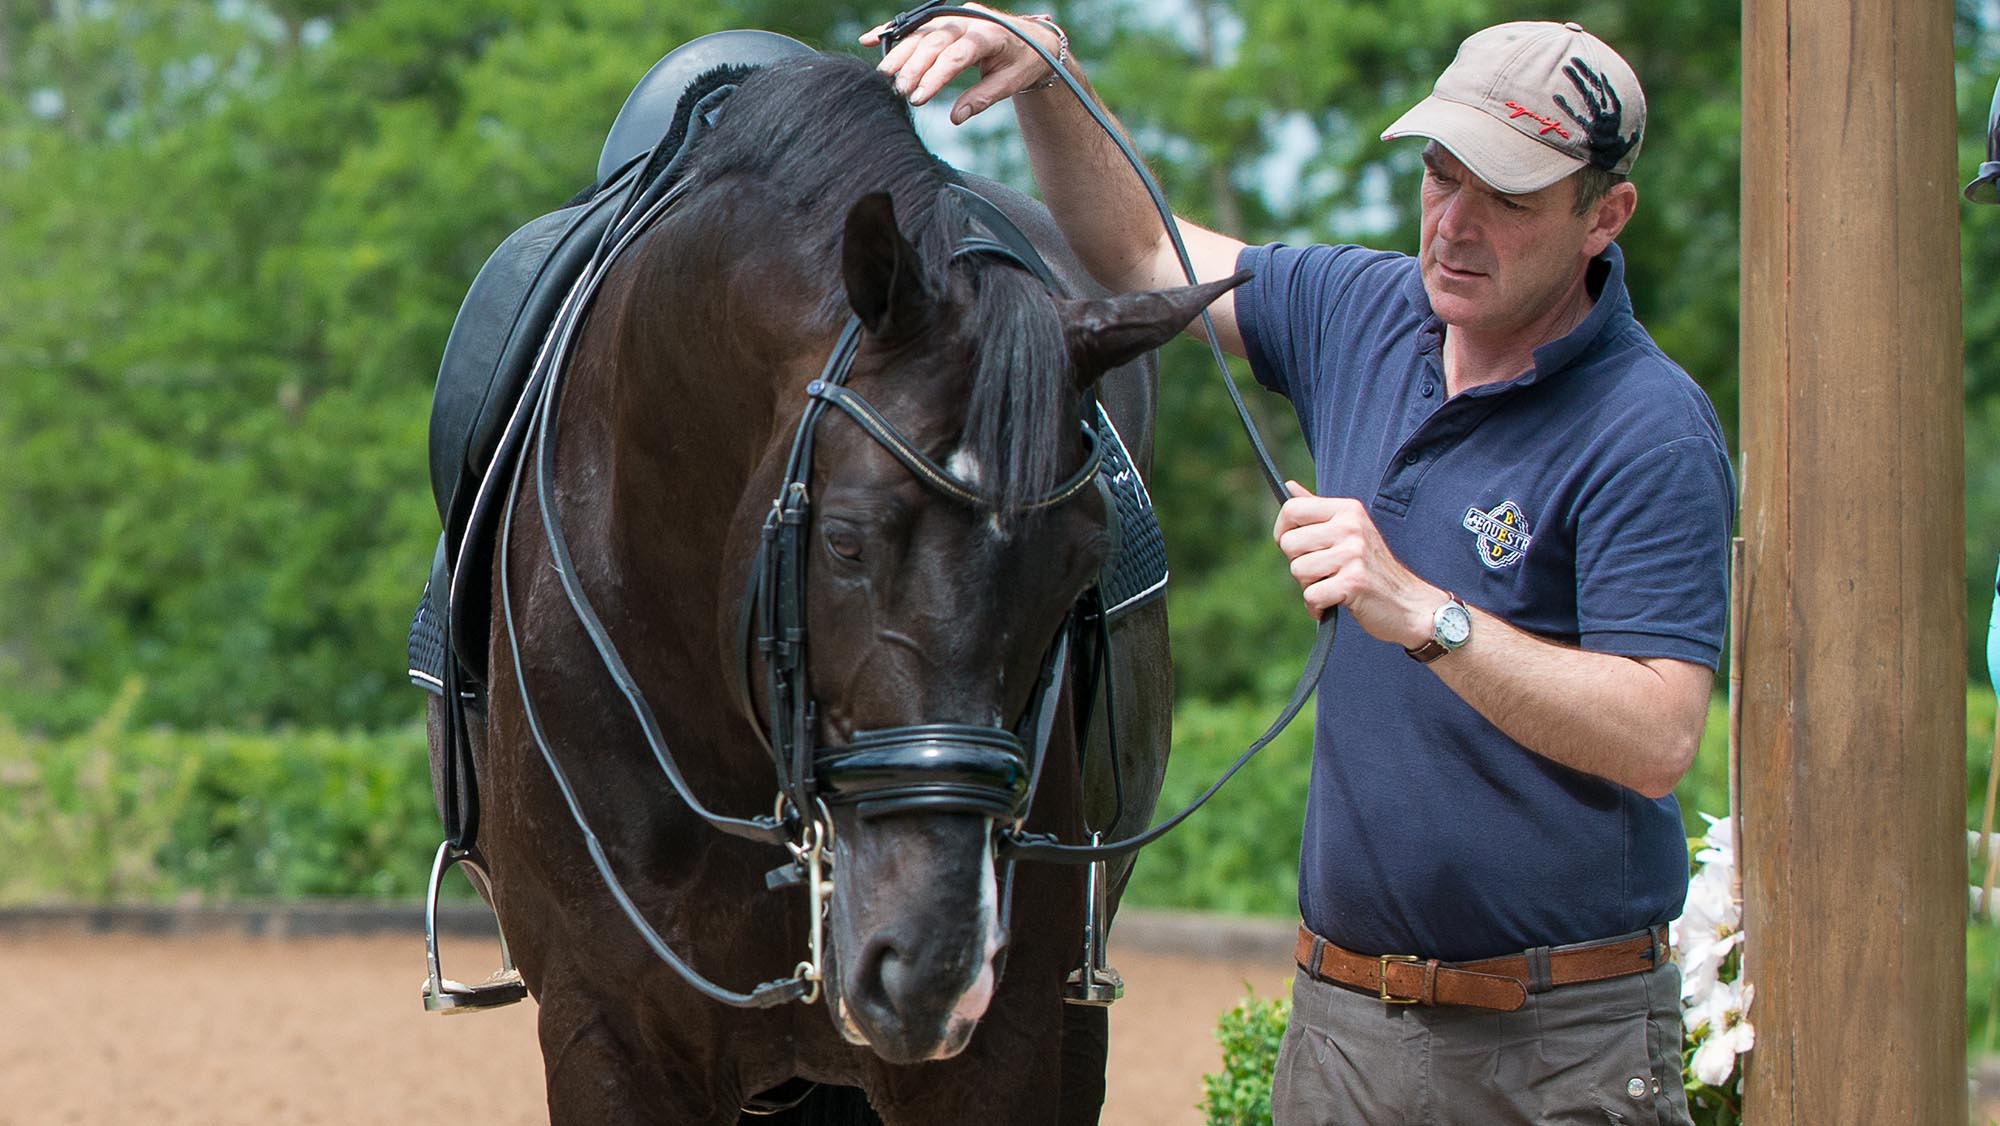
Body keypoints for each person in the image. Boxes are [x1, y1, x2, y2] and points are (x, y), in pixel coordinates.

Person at [864, 9, 1730, 1124]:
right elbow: (1137, 250)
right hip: (1343, 1024)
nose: (1454, 226)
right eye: (1438, 176)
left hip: (1554, 1046)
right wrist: (1052, 75)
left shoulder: (1646, 425)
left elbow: (1657, 736)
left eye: (1508, 199)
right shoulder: (1363, 311)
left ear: (1602, 217)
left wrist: (1422, 612)